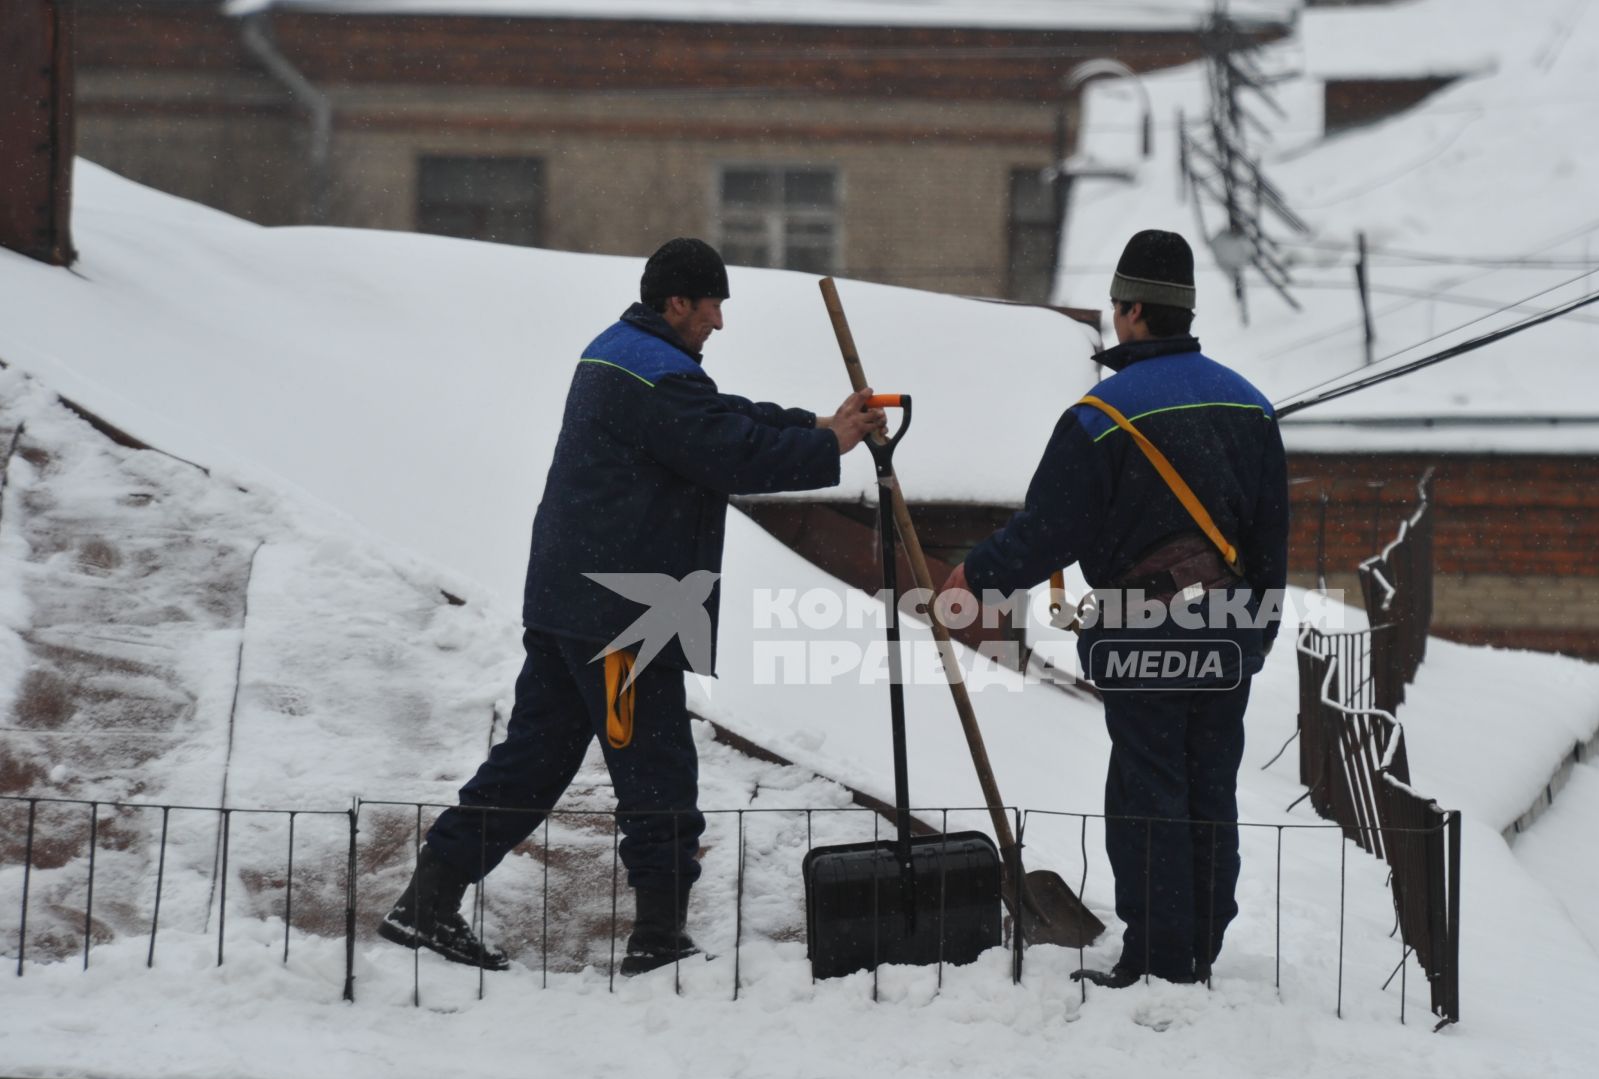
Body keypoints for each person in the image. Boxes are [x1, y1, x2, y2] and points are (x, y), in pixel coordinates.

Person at [380, 237, 885, 974]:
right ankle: (659, 936)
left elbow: (724, 414)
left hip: (568, 601)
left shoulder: (618, 351)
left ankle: (428, 900)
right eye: (711, 305)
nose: (718, 321)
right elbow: (730, 451)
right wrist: (832, 445)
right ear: (676, 302)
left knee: (533, 761)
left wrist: (813, 423)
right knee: (657, 770)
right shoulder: (657, 379)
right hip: (623, 615)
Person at [943, 229, 1288, 987]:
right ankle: (1198, 943)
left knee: (1148, 788)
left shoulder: (1100, 416)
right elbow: (1271, 544)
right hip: (1227, 630)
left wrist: (976, 572)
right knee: (1209, 784)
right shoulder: (1250, 405)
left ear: (1132, 312)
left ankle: (1159, 957)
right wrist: (1254, 636)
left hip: (1141, 627)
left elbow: (1048, 531)